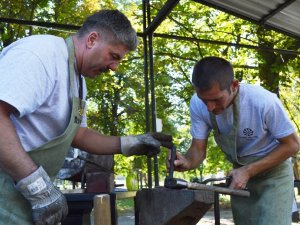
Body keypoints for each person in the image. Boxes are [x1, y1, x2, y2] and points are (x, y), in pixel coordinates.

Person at [0, 10, 172, 225]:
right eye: (114, 56)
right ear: (92, 40)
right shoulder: (41, 55)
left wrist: (130, 143)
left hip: (20, 198)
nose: (115, 67)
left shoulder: (78, 82)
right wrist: (38, 188)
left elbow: (79, 134)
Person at [172, 56, 300, 225]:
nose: (210, 107)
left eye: (216, 99)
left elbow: (293, 144)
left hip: (274, 175)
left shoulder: (263, 101)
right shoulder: (197, 104)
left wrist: (248, 171)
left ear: (233, 85)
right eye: (205, 100)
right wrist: (187, 161)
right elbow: (198, 150)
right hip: (239, 178)